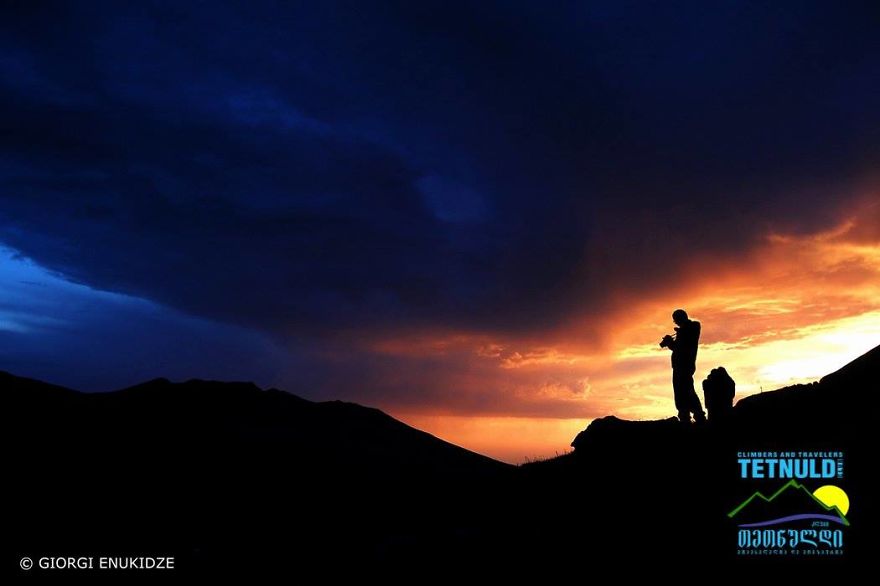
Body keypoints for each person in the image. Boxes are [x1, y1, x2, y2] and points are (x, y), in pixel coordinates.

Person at [660, 309, 706, 424]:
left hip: (685, 365)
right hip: (679, 366)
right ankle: (685, 416)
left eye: (676, 320)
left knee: (687, 390)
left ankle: (697, 416)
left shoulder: (693, 326)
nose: (675, 323)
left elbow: (682, 347)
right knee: (680, 392)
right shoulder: (684, 331)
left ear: (682, 318)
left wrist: (671, 341)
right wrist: (670, 342)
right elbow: (677, 347)